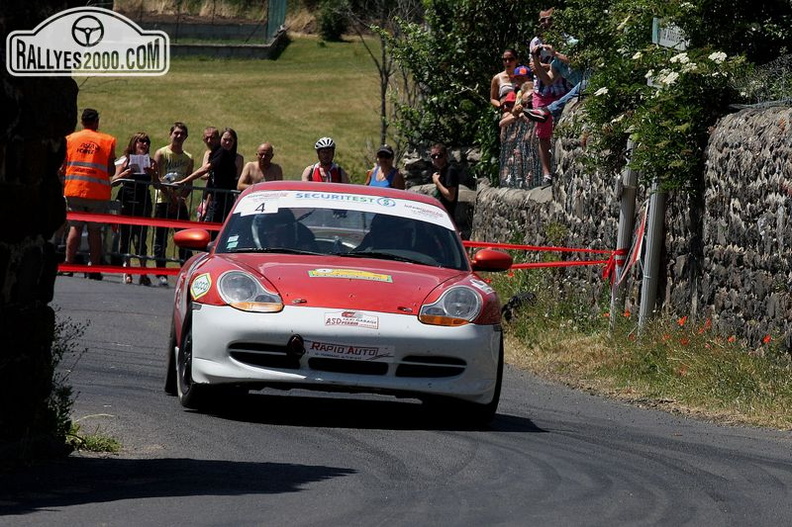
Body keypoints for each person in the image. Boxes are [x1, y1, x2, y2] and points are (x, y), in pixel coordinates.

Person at [61, 108, 117, 280]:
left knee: (75, 228)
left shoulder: (70, 139)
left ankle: (68, 265)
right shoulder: (107, 140)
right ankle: (94, 269)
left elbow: (64, 165)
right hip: (97, 193)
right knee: (95, 231)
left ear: (82, 121)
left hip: (74, 189)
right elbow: (110, 169)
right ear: (96, 122)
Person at [529, 7, 572, 185]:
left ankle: (562, 166)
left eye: (550, 19)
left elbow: (571, 59)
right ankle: (547, 173)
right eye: (543, 20)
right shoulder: (535, 42)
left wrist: (553, 57)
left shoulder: (566, 39)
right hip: (543, 91)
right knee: (543, 133)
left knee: (563, 129)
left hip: (564, 88)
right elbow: (537, 70)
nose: (546, 23)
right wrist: (537, 60)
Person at [152, 122, 195, 287]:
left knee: (185, 238)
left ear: (185, 137)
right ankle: (160, 272)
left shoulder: (188, 158)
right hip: (163, 200)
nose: (178, 136)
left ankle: (186, 270)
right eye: (176, 133)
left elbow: (190, 181)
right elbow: (156, 180)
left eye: (182, 134)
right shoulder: (161, 153)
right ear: (170, 134)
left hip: (180, 203)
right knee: (160, 238)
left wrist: (180, 199)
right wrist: (171, 198)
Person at [112, 132, 158, 285]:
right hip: (126, 200)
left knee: (141, 239)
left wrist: (153, 174)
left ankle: (143, 272)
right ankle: (127, 270)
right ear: (134, 143)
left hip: (143, 201)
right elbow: (114, 181)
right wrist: (127, 172)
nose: (144, 144)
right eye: (140, 141)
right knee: (125, 237)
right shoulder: (125, 160)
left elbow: (158, 185)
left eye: (146, 142)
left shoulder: (151, 162)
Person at [182, 127, 243, 226]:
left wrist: (184, 181)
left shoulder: (224, 154)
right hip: (212, 197)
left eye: (230, 140)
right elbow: (212, 181)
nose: (227, 143)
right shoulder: (214, 153)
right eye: (225, 140)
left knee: (212, 228)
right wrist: (206, 205)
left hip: (224, 200)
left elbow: (206, 169)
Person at [429, 143, 459, 219]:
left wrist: (437, 182)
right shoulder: (441, 171)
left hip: (447, 216)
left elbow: (450, 196)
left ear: (445, 156)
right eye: (433, 156)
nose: (436, 158)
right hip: (440, 214)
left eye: (439, 156)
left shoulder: (450, 171)